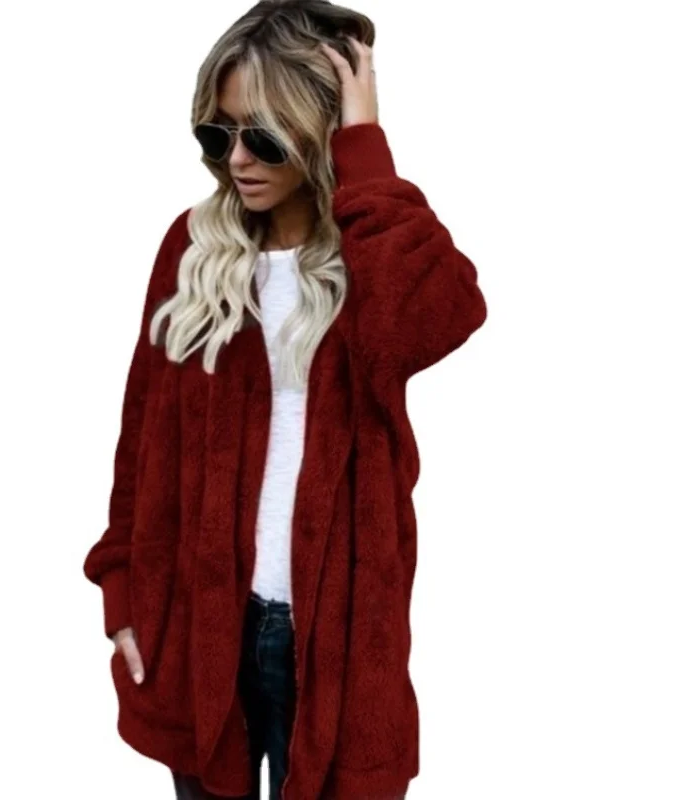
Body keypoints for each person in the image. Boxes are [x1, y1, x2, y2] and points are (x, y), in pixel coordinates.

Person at [82, 1, 487, 798]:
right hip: (200, 629)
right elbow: (141, 439)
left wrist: (365, 147)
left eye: (263, 137)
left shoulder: (368, 256)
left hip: (336, 642)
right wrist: (123, 593)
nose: (237, 159)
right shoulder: (193, 250)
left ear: (318, 129)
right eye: (217, 135)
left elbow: (437, 318)